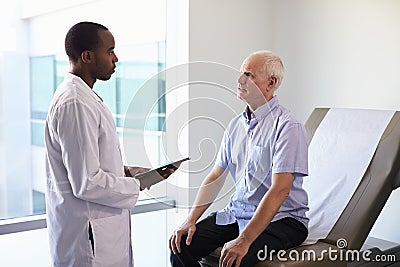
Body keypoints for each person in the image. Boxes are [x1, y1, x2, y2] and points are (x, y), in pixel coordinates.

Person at [44, 21, 170, 267]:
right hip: (89, 240)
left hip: (98, 234)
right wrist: (136, 184)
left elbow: (87, 163)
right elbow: (87, 182)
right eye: (110, 51)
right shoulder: (76, 103)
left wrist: (125, 172)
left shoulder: (83, 97)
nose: (116, 58)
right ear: (87, 56)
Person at [169, 51, 309, 267]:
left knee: (237, 260)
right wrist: (190, 220)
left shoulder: (288, 126)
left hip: (282, 220)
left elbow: (280, 189)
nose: (239, 80)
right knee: (181, 246)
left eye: (249, 75)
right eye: (241, 73)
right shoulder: (236, 125)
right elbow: (215, 176)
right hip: (238, 213)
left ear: (270, 83)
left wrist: (244, 240)